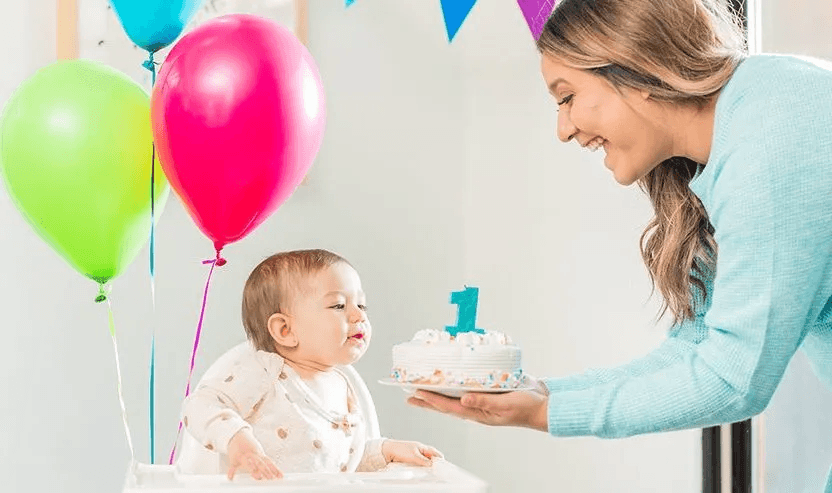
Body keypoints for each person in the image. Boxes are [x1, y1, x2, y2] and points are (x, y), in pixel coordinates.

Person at [408, 0, 832, 487]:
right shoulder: (751, 116)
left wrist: (544, 414)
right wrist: (542, 394)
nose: (563, 130)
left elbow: (731, 380)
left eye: (566, 97)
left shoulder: (772, 145)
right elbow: (695, 348)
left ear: (637, 69)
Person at [177, 249, 442, 480]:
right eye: (339, 305)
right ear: (285, 330)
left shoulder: (345, 385)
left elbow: (339, 464)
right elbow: (198, 406)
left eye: (361, 304)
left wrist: (387, 451)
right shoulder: (264, 372)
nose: (359, 315)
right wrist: (237, 440)